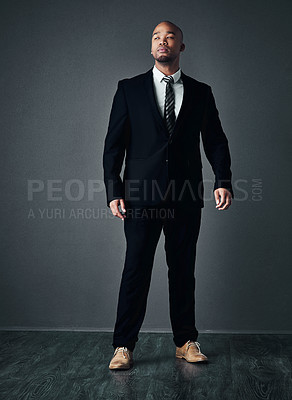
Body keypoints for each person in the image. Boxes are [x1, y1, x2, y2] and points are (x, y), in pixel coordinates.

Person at [103, 20, 234, 370]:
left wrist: (223, 179)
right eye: (157, 38)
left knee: (183, 270)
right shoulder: (129, 89)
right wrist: (113, 190)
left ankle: (186, 342)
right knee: (135, 270)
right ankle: (123, 347)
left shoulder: (201, 92)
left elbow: (216, 141)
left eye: (170, 37)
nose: (163, 42)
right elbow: (113, 146)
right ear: (151, 47)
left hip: (185, 196)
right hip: (140, 197)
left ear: (181, 47)